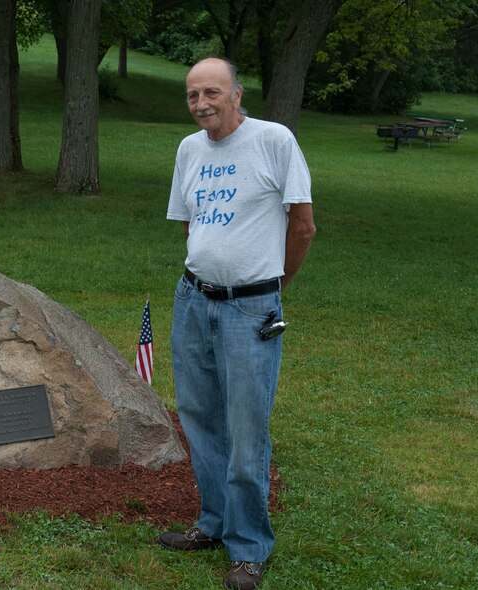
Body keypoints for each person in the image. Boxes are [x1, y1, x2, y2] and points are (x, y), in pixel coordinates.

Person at [158, 57, 316, 590]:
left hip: (252, 307)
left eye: (212, 93)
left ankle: (249, 548)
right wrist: (207, 278)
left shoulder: (274, 141)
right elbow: (190, 225)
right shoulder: (189, 149)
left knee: (247, 428)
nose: (202, 103)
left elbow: (304, 225)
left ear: (237, 94)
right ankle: (214, 522)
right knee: (199, 414)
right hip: (193, 300)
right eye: (193, 95)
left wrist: (273, 286)